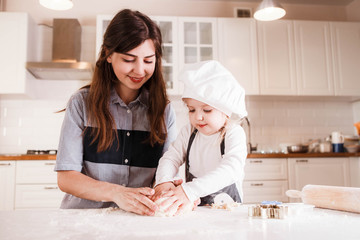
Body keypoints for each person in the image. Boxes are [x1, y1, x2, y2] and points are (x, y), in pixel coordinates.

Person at [54, 9, 177, 216]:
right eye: (129, 60)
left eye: (148, 60)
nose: (139, 70)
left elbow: (165, 174)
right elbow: (66, 178)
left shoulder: (164, 110)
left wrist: (168, 188)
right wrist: (117, 193)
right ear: (108, 55)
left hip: (137, 221)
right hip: (83, 219)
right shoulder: (81, 103)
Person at [153, 60, 248, 215]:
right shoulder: (189, 132)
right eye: (191, 110)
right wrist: (163, 181)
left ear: (226, 111)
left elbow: (231, 170)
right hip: (196, 213)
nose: (198, 117)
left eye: (207, 110)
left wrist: (189, 190)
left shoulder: (234, 133)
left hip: (229, 213)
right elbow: (170, 158)